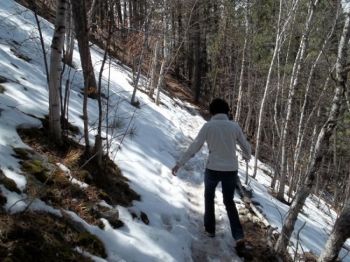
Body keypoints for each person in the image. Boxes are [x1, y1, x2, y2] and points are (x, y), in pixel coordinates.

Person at [171, 98, 251, 255]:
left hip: (213, 168)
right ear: (227, 111)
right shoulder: (234, 127)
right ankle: (238, 236)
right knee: (229, 202)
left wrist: (179, 163)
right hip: (231, 170)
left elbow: (195, 146)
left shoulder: (208, 126)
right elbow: (246, 148)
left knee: (209, 196)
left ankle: (210, 229)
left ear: (212, 111)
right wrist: (246, 156)